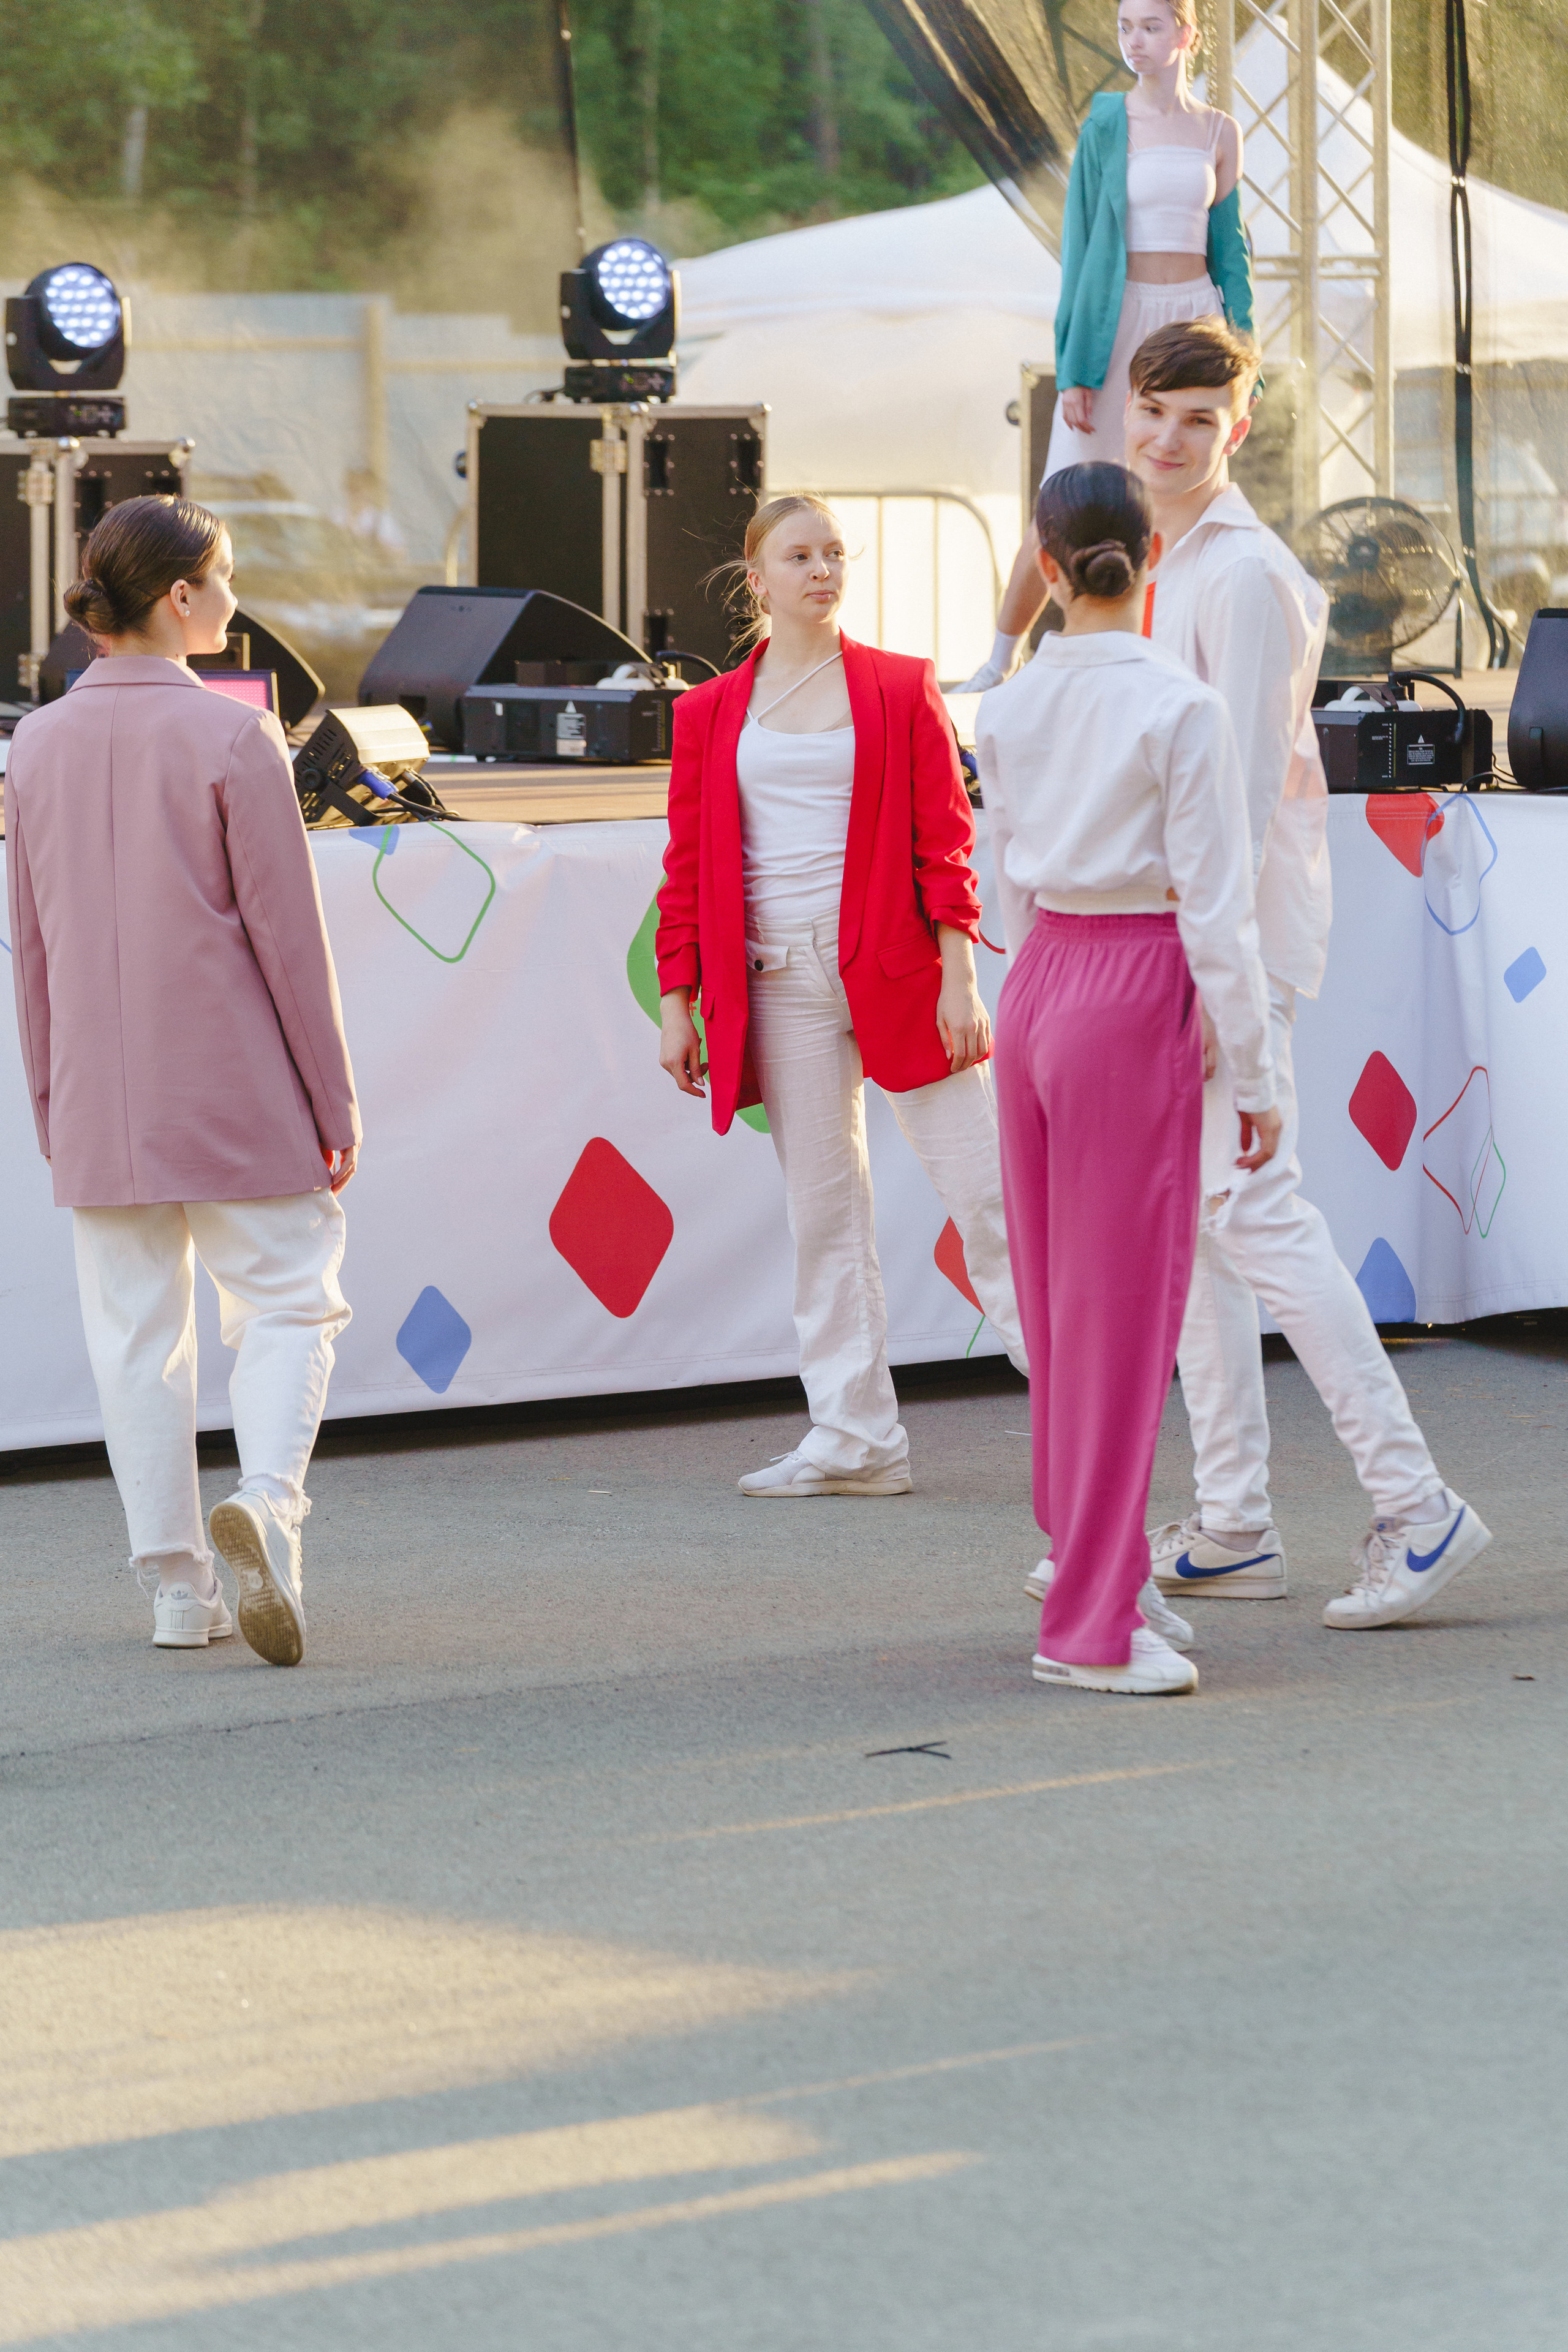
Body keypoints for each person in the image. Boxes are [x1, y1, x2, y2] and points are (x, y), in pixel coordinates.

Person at [1104, 316, 1491, 1627]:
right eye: (1153, 412)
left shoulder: (1244, 575)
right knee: (1199, 1233)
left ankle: (1416, 1507)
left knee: (1256, 1218)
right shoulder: (1146, 560)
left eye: (1196, 419)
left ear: (1242, 426)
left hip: (1219, 942)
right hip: (1164, 935)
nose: (1168, 439)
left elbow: (1237, 791)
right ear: (1122, 409)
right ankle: (1231, 1525)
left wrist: (1212, 973)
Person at [6, 496, 360, 1667]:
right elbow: (288, 943)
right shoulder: (233, 735)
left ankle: (174, 1588)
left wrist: (51, 1102)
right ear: (179, 596)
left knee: (133, 1338)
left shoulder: (34, 744)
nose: (234, 600)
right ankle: (267, 1503)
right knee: (291, 1300)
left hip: (97, 1099)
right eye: (225, 578)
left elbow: (32, 949)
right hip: (233, 1088)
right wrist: (334, 1103)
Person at [978, 461, 1280, 1696]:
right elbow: (1216, 906)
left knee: (1062, 1309)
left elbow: (1005, 879)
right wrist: (1256, 1068)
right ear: (1150, 558)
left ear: (1047, 567)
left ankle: (1085, 1565)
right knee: (1119, 1318)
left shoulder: (1006, 706)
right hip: (1130, 984)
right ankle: (1087, 1624)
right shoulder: (1180, 704)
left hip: (1039, 983)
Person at [656, 492, 1025, 1496]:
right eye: (799, 556)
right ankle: (856, 1440)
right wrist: (678, 999)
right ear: (757, 579)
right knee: (825, 1220)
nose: (822, 569)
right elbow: (688, 865)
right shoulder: (708, 712)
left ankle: (1081, 1405)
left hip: (902, 972)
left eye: (833, 553)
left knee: (989, 1196)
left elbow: (946, 842)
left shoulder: (900, 686)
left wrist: (961, 976)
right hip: (777, 983)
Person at [960, 0, 1254, 693]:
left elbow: (1230, 251)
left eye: (1150, 26)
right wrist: (1075, 366)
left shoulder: (1219, 130)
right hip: (1120, 318)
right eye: (1125, 28)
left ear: (1186, 33)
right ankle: (999, 661)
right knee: (1060, 498)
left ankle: (1173, 659)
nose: (1134, 41)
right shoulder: (1105, 124)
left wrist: (1244, 352)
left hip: (1194, 320)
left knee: (1187, 497)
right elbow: (1081, 246)